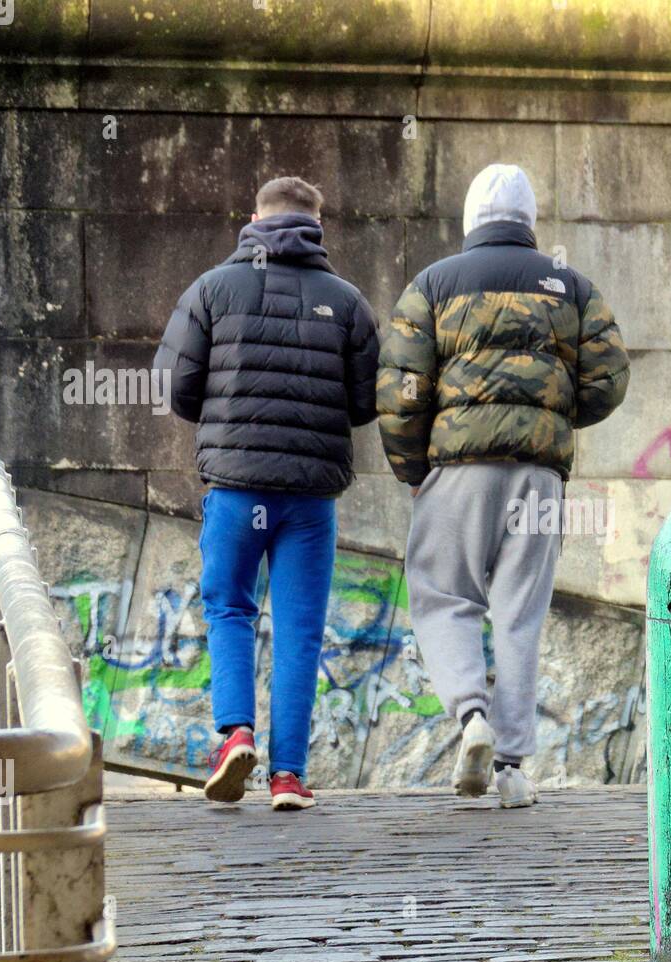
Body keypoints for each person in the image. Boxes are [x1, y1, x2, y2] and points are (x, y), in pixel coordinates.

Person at [376, 164, 630, 808]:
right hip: (538, 476)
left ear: (470, 220)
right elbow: (610, 377)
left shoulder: (433, 284)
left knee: (442, 596)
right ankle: (513, 769)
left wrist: (413, 470)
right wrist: (552, 418)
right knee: (520, 613)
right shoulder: (569, 286)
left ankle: (471, 718)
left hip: (457, 471)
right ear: (528, 219)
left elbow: (402, 390)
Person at [154, 176, 380, 811]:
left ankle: (235, 736)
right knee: (301, 628)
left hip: (235, 487)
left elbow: (174, 387)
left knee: (229, 607)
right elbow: (365, 404)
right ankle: (287, 777)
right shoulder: (348, 302)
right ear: (318, 227)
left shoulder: (211, 289)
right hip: (310, 498)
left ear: (253, 219)